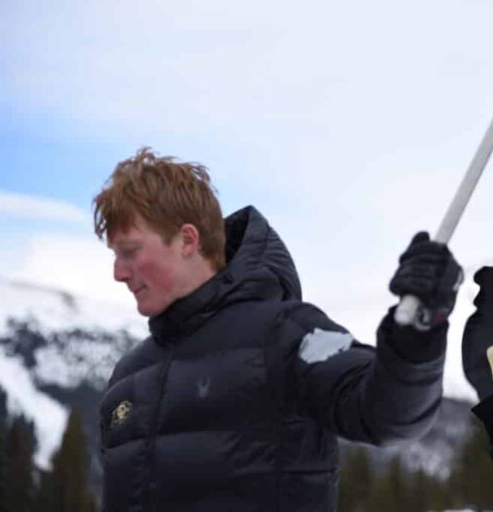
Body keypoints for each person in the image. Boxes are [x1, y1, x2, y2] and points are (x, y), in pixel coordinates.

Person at [93, 147, 462, 512]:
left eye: (130, 251)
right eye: (115, 256)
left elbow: (388, 414)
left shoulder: (285, 334)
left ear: (188, 240)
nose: (118, 272)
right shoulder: (128, 375)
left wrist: (419, 330)